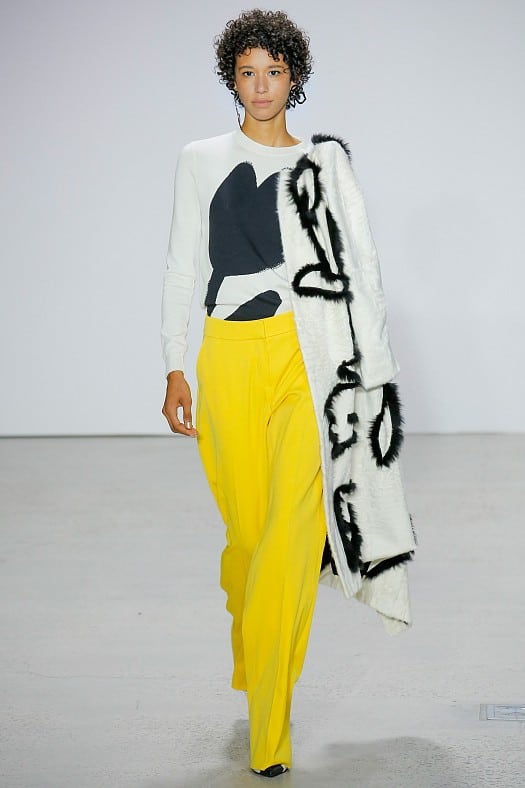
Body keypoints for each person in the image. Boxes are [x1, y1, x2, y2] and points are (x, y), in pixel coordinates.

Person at [161, 9, 417, 779]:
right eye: (247, 72)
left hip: (307, 361)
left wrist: (371, 377)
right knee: (247, 541)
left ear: (294, 78)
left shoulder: (323, 167)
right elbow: (182, 262)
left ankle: (268, 728)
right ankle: (254, 652)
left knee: (289, 540)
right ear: (231, 79)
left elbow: (358, 272)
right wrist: (174, 366)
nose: (261, 85)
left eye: (273, 71)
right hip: (227, 358)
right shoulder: (201, 158)